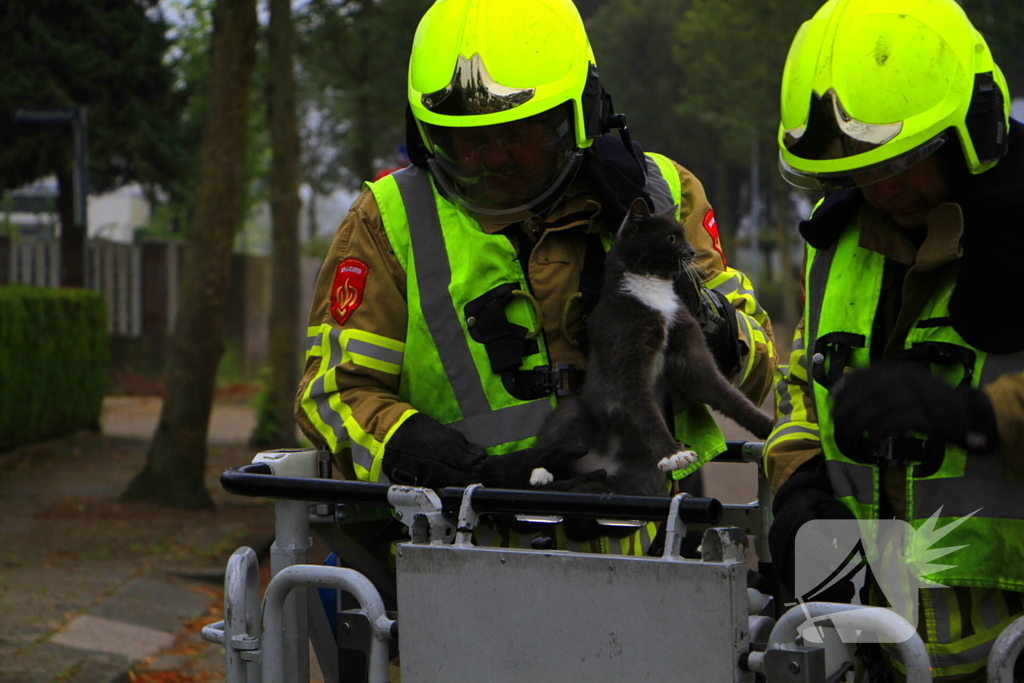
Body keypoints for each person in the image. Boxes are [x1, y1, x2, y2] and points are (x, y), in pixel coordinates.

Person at [296, 0, 775, 555]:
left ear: (581, 114)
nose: (494, 159)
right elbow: (333, 391)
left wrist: (696, 312)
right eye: (468, 141)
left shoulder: (661, 194)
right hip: (453, 555)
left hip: (645, 554)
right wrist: (420, 450)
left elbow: (758, 368)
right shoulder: (386, 219)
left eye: (518, 133)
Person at [766, 0, 1024, 680]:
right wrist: (798, 489)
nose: (885, 188)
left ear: (970, 132)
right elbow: (802, 392)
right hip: (863, 651)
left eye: (905, 162)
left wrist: (976, 416)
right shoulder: (837, 244)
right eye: (862, 170)